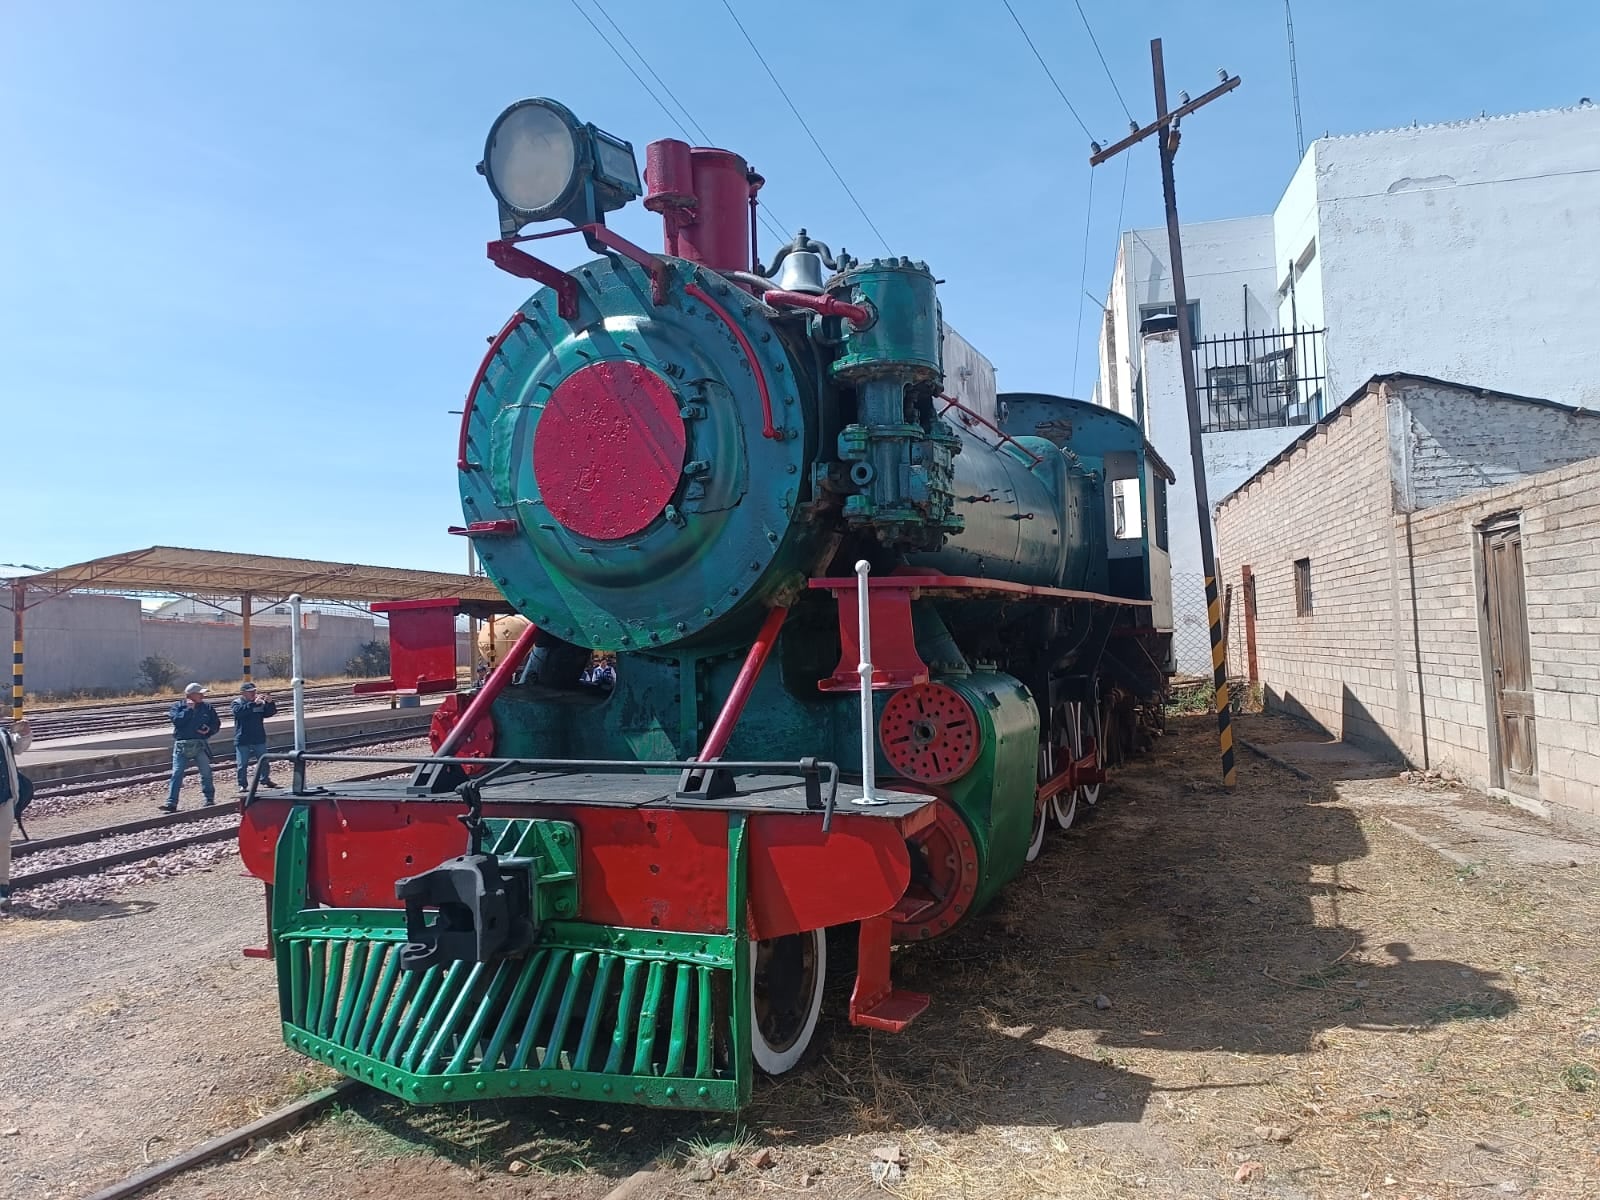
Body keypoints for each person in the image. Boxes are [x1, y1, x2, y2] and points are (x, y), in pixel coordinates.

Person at [163, 683, 220, 812]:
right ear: (190, 695)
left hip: (200, 744)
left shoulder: (207, 707)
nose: (202, 695)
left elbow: (216, 723)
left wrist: (209, 730)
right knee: (177, 773)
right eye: (199, 693)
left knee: (206, 772)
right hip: (182, 745)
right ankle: (171, 802)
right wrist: (188, 710)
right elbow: (177, 721)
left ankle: (209, 798)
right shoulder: (178, 707)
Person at [230, 682, 279, 795]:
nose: (253, 693)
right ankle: (242, 785)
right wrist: (253, 704)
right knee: (242, 764)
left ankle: (265, 780)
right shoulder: (237, 703)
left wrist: (270, 703)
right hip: (243, 739)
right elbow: (239, 713)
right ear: (243, 693)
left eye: (254, 691)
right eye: (250, 691)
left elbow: (269, 713)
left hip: (258, 737)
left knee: (264, 761)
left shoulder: (259, 703)